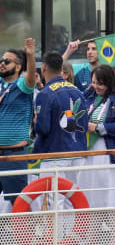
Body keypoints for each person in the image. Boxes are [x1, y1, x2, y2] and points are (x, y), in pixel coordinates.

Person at [78, 65, 115, 208]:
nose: (96, 87)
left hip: (112, 155)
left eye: (100, 83)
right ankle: (93, 230)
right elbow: (77, 110)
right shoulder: (89, 96)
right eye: (94, 82)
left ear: (109, 82)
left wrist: (97, 128)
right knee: (92, 196)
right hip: (90, 153)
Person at [34, 51, 88, 186]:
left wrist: (36, 121)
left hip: (54, 155)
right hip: (78, 153)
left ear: (44, 68)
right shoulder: (77, 91)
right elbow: (84, 124)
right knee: (74, 199)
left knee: (54, 200)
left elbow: (43, 128)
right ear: (60, 68)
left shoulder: (45, 94)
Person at [0, 39, 36, 212]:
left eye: (7, 61)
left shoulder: (22, 85)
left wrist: (29, 55)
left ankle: (27, 239)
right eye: (1, 60)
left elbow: (30, 78)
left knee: (19, 204)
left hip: (13, 155)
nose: (2, 64)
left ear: (18, 66)